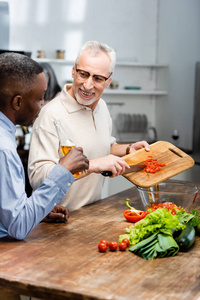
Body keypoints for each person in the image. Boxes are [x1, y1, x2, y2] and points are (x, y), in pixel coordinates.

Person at [28, 41, 150, 212]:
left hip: (90, 215)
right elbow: (38, 178)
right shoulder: (50, 114)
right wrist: (92, 166)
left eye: (98, 78)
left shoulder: (102, 108)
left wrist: (129, 149)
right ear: (73, 70)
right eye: (83, 74)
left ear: (108, 81)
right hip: (54, 221)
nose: (88, 85)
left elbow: (104, 146)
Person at [0, 52, 89, 241]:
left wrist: (35, 210)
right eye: (40, 99)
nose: (42, 105)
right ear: (17, 102)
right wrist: (63, 170)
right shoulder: (4, 150)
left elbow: (8, 211)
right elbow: (18, 226)